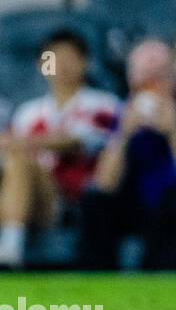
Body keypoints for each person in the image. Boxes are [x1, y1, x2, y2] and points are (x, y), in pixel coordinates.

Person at [80, 40, 176, 270]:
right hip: (141, 204)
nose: (151, 88)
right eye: (143, 82)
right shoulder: (125, 111)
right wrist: (123, 135)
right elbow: (104, 185)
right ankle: (95, 286)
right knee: (94, 202)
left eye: (159, 79)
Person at [0, 31, 120, 268]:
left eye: (69, 58)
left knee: (21, 162)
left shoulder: (104, 104)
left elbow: (80, 141)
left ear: (85, 62)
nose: (61, 66)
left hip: (73, 202)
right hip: (28, 197)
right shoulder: (28, 112)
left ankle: (11, 244)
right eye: (52, 59)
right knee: (15, 165)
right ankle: (12, 235)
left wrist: (19, 143)